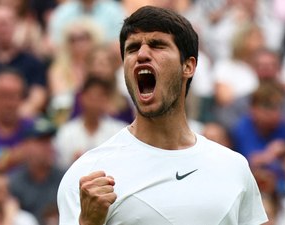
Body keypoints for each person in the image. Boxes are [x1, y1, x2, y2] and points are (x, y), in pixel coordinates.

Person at [57, 6, 268, 225]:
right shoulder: (87, 176)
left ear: (188, 66)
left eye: (157, 45)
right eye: (132, 48)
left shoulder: (234, 168)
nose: (142, 54)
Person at [55, 76, 128, 170]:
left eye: (101, 97)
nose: (96, 102)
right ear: (82, 97)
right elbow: (60, 168)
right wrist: (74, 164)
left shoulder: (119, 131)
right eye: (92, 97)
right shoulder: (66, 132)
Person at [9, 116, 64, 224]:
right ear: (26, 146)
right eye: (41, 142)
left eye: (49, 141)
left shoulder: (64, 178)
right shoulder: (14, 181)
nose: (48, 147)